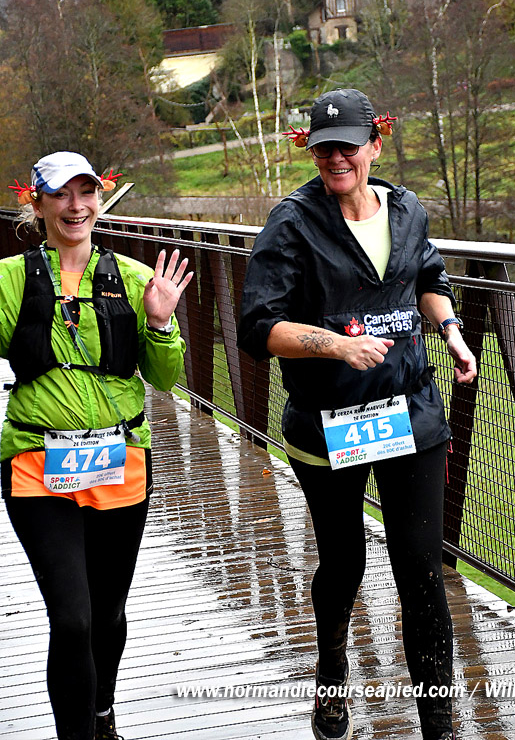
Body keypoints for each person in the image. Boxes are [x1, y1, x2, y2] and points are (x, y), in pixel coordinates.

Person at [238, 89, 477, 740]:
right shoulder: (291, 223)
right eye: (323, 148)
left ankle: (439, 725)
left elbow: (428, 278)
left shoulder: (407, 209)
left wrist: (451, 331)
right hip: (329, 420)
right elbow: (257, 326)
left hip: (409, 411)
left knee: (421, 571)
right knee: (344, 562)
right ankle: (332, 668)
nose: (335, 157)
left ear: (375, 143)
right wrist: (336, 345)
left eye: (347, 144)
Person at [1, 151, 193, 740]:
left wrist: (160, 324)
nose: (75, 206)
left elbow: (165, 378)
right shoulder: (9, 279)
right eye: (60, 195)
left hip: (119, 463)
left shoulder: (135, 278)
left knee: (107, 613)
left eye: (86, 193)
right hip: (37, 465)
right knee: (73, 619)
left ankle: (102, 713)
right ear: (36, 204)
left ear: (100, 199)